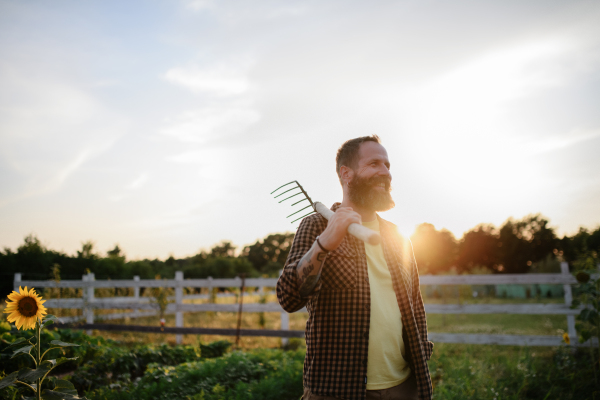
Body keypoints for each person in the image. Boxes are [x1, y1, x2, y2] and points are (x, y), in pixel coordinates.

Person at [277, 135, 433, 400]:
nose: (385, 172)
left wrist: (421, 355)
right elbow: (288, 297)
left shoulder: (399, 237)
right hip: (337, 388)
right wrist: (325, 243)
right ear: (346, 173)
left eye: (387, 165)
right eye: (374, 164)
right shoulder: (316, 226)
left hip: (403, 387)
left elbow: (415, 306)